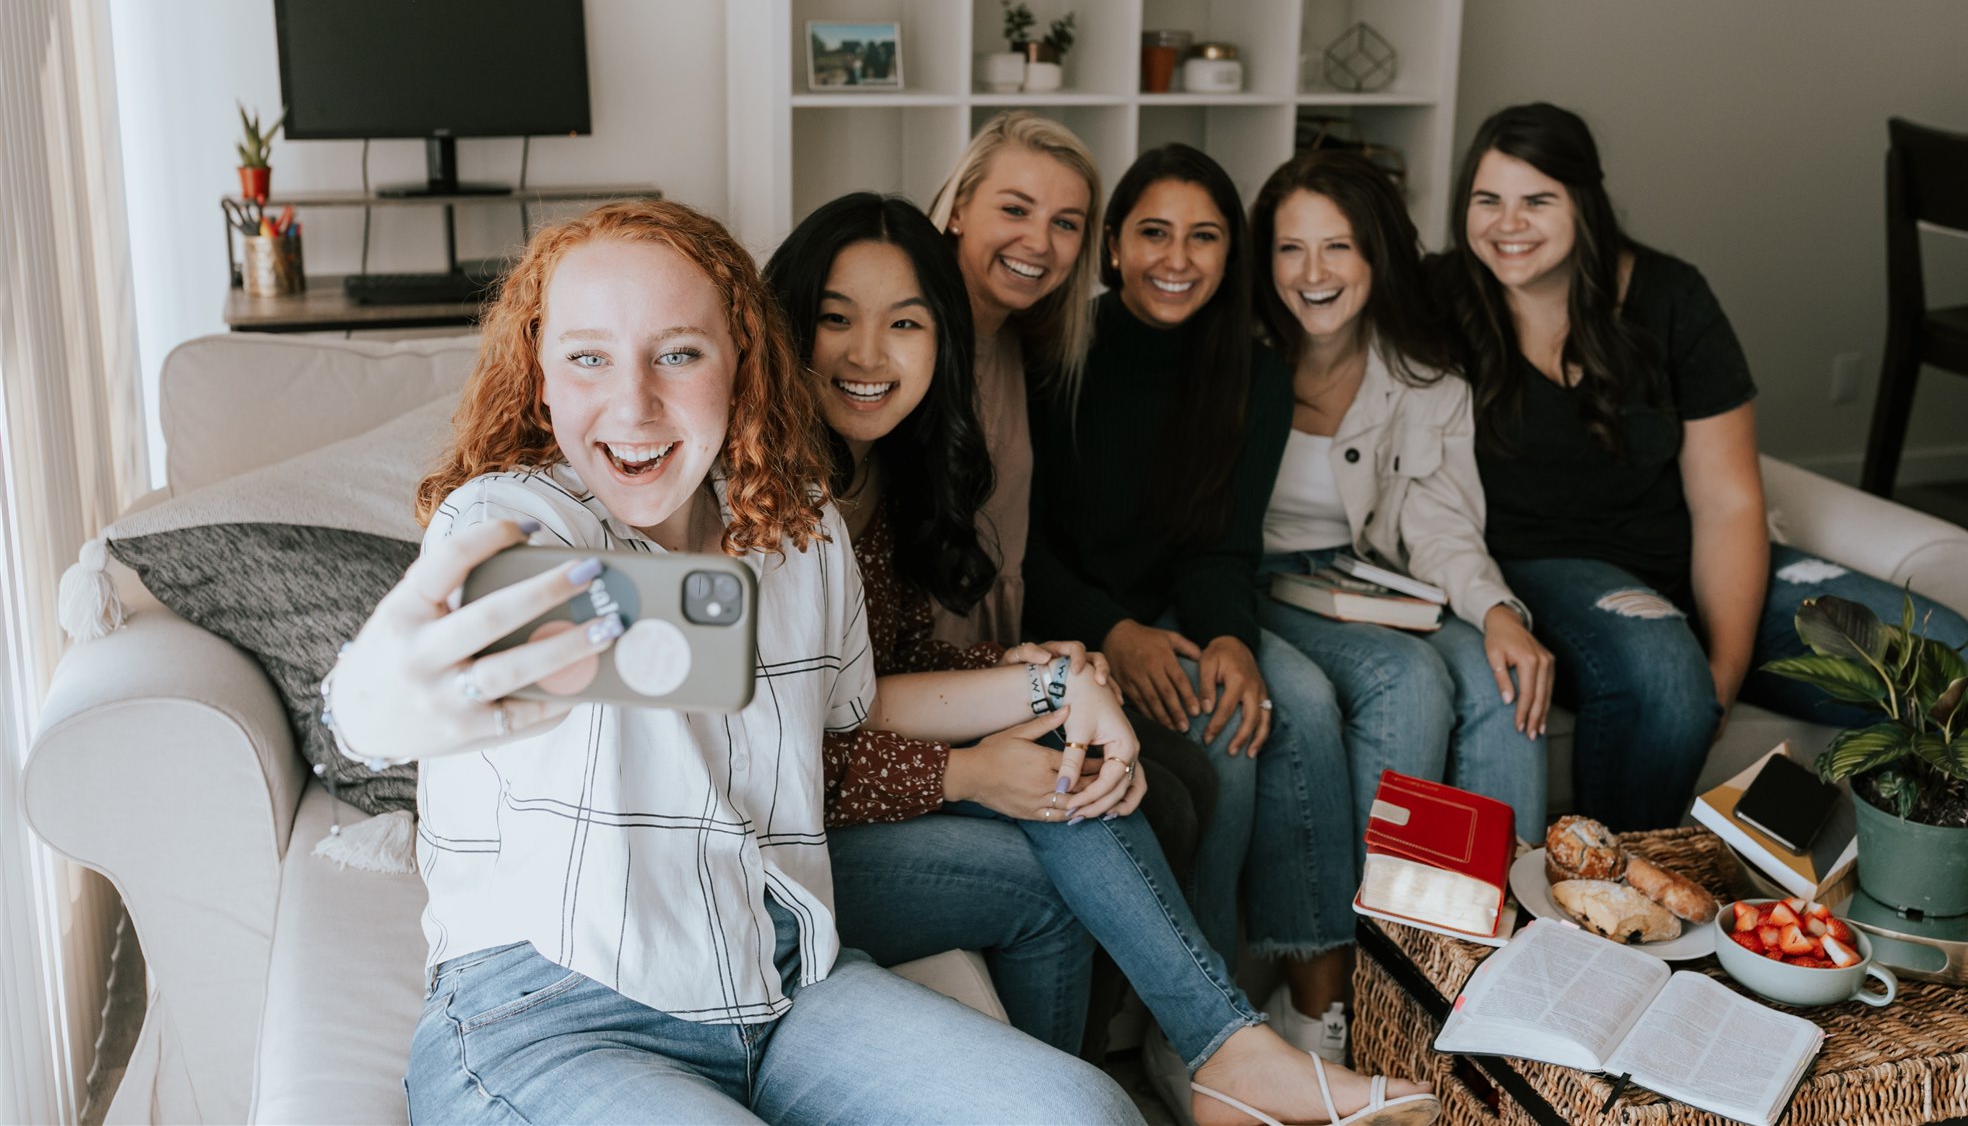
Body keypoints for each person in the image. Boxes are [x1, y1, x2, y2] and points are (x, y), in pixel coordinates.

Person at [322, 199, 1142, 1125]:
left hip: (786, 988)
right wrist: (376, 701)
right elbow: (417, 673)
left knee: (1088, 1112)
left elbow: (856, 707)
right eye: (588, 356)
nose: (632, 403)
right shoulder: (514, 518)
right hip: (555, 1016)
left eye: (678, 352)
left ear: (741, 361)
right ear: (539, 376)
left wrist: (1061, 682)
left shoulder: (801, 526)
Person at [767, 192, 1439, 1126]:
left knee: (1077, 770)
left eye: (904, 322)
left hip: (847, 790)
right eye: (835, 318)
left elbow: (880, 671)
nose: (867, 353)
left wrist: (1048, 671)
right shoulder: (768, 492)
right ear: (785, 327)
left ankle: (1192, 1064)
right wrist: (965, 768)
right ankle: (1214, 1057)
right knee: (1063, 837)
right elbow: (768, 747)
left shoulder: (878, 463)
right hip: (773, 853)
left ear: (941, 339)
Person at [1435, 103, 1968, 831]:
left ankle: (1883, 889)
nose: (1509, 224)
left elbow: (1727, 501)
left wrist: (1725, 664)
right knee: (1664, 677)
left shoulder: (1670, 296)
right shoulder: (1438, 297)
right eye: (1487, 200)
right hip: (1541, 562)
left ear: (1586, 204)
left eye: (1538, 200)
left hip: (1680, 558)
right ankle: (1606, 905)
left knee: (1943, 658)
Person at [1023, 143, 1365, 1064]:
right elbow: (1025, 548)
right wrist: (1114, 632)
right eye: (1154, 233)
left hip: (1175, 606)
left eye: (1204, 236)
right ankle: (1204, 1024)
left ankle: (1285, 1013)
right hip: (1069, 617)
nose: (1177, 259)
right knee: (1233, 751)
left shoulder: (1251, 375)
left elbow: (1224, 542)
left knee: (1260, 703)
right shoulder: (1055, 354)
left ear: (1231, 254)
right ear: (1113, 246)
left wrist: (1228, 638)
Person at [928, 110, 1219, 883]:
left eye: (1065, 223)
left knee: (1191, 778)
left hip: (1006, 648)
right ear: (959, 208)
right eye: (1014, 208)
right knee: (1161, 803)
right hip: (936, 675)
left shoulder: (1029, 342)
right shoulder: (920, 337)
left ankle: (1133, 1008)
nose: (1039, 242)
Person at [1249, 150, 1549, 847]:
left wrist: (1498, 610)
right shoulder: (1237, 358)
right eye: (1291, 248)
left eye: (1337, 248)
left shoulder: (1423, 379)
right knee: (1407, 677)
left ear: (1375, 256)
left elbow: (1439, 523)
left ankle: (1501, 925)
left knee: (1500, 677)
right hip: (1256, 579)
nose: (1313, 273)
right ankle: (1387, 936)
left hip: (1365, 577)